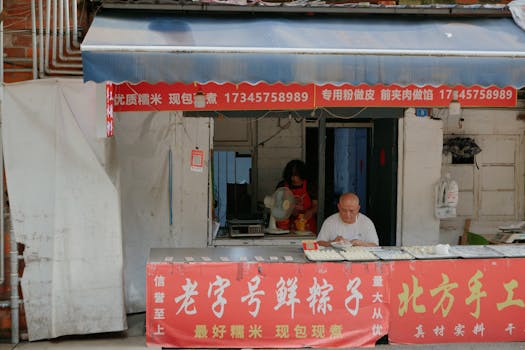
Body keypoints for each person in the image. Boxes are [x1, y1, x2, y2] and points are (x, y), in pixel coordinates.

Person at [276, 159, 318, 233]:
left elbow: (317, 205)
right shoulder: (282, 186)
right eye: (291, 175)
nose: (293, 178)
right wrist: (289, 210)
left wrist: (311, 211)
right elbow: (276, 205)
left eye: (296, 175)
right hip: (286, 227)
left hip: (307, 226)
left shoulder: (310, 186)